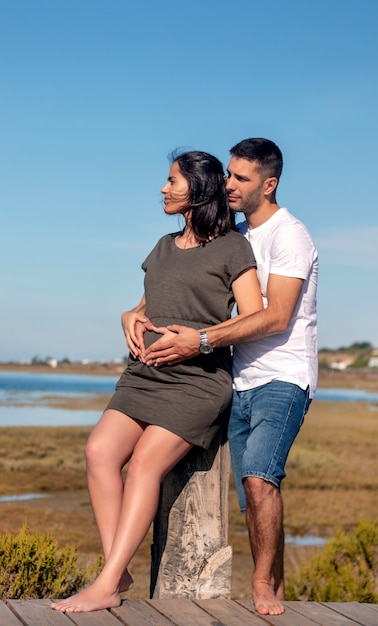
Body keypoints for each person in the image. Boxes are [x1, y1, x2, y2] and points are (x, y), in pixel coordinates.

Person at [51, 150, 263, 613]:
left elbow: (255, 318)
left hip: (197, 383)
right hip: (144, 375)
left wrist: (202, 340)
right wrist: (130, 314)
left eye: (172, 181)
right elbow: (154, 302)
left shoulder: (233, 247)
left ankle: (106, 585)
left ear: (199, 188)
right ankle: (118, 569)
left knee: (145, 463)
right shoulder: (163, 246)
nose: (164, 189)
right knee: (99, 453)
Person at [139, 138, 318, 616]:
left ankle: (261, 584)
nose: (228, 184)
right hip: (236, 377)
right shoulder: (234, 234)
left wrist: (198, 341)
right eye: (228, 175)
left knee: (259, 479)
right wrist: (131, 313)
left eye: (241, 177)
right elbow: (178, 286)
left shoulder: (289, 235)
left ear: (269, 183)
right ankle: (274, 587)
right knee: (248, 491)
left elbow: (276, 316)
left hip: (282, 376)